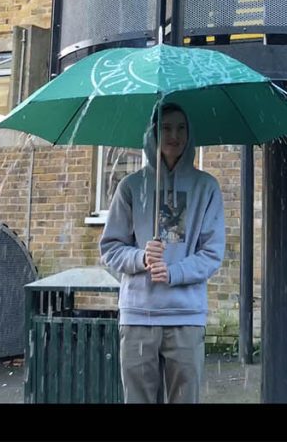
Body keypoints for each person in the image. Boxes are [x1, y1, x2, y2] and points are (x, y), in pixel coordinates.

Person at [98, 102, 225, 404]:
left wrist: (174, 272)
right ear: (153, 132)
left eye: (181, 128)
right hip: (140, 316)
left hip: (186, 316)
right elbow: (111, 248)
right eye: (166, 127)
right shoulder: (131, 187)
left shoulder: (206, 187)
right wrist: (141, 257)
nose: (174, 135)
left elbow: (212, 252)